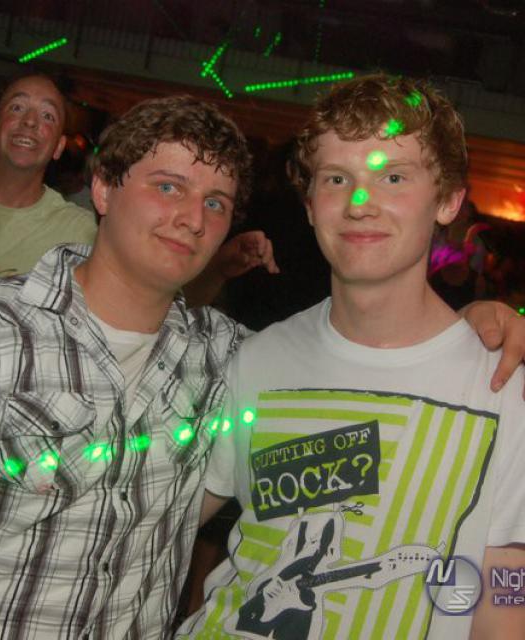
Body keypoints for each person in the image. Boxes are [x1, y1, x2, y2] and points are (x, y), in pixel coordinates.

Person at [0, 90, 522, 640]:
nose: (191, 217)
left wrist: (476, 327)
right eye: (168, 186)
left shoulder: (226, 354)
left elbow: (507, 594)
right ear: (102, 187)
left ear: (449, 200)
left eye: (215, 202)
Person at [178, 74, 525, 640]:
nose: (361, 204)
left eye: (393, 177)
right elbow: (164, 519)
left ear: (447, 201)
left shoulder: (505, 390)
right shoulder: (257, 359)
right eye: (338, 179)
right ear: (310, 205)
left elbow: (506, 602)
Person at [0, 73, 276, 344]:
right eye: (17, 108)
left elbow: (158, 298)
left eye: (47, 116)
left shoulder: (78, 230)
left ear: (58, 146)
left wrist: (220, 266)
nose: (30, 122)